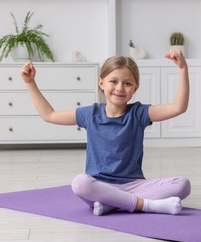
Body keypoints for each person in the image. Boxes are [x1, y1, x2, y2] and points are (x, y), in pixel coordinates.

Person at [20, 49, 191, 216]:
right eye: (113, 81)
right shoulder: (90, 114)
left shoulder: (138, 114)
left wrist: (183, 69)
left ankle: (113, 204)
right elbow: (49, 115)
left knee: (182, 184)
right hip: (98, 186)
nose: (120, 88)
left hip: (133, 185)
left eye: (127, 83)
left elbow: (178, 107)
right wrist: (30, 83)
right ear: (101, 83)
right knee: (80, 183)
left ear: (135, 88)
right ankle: (145, 205)